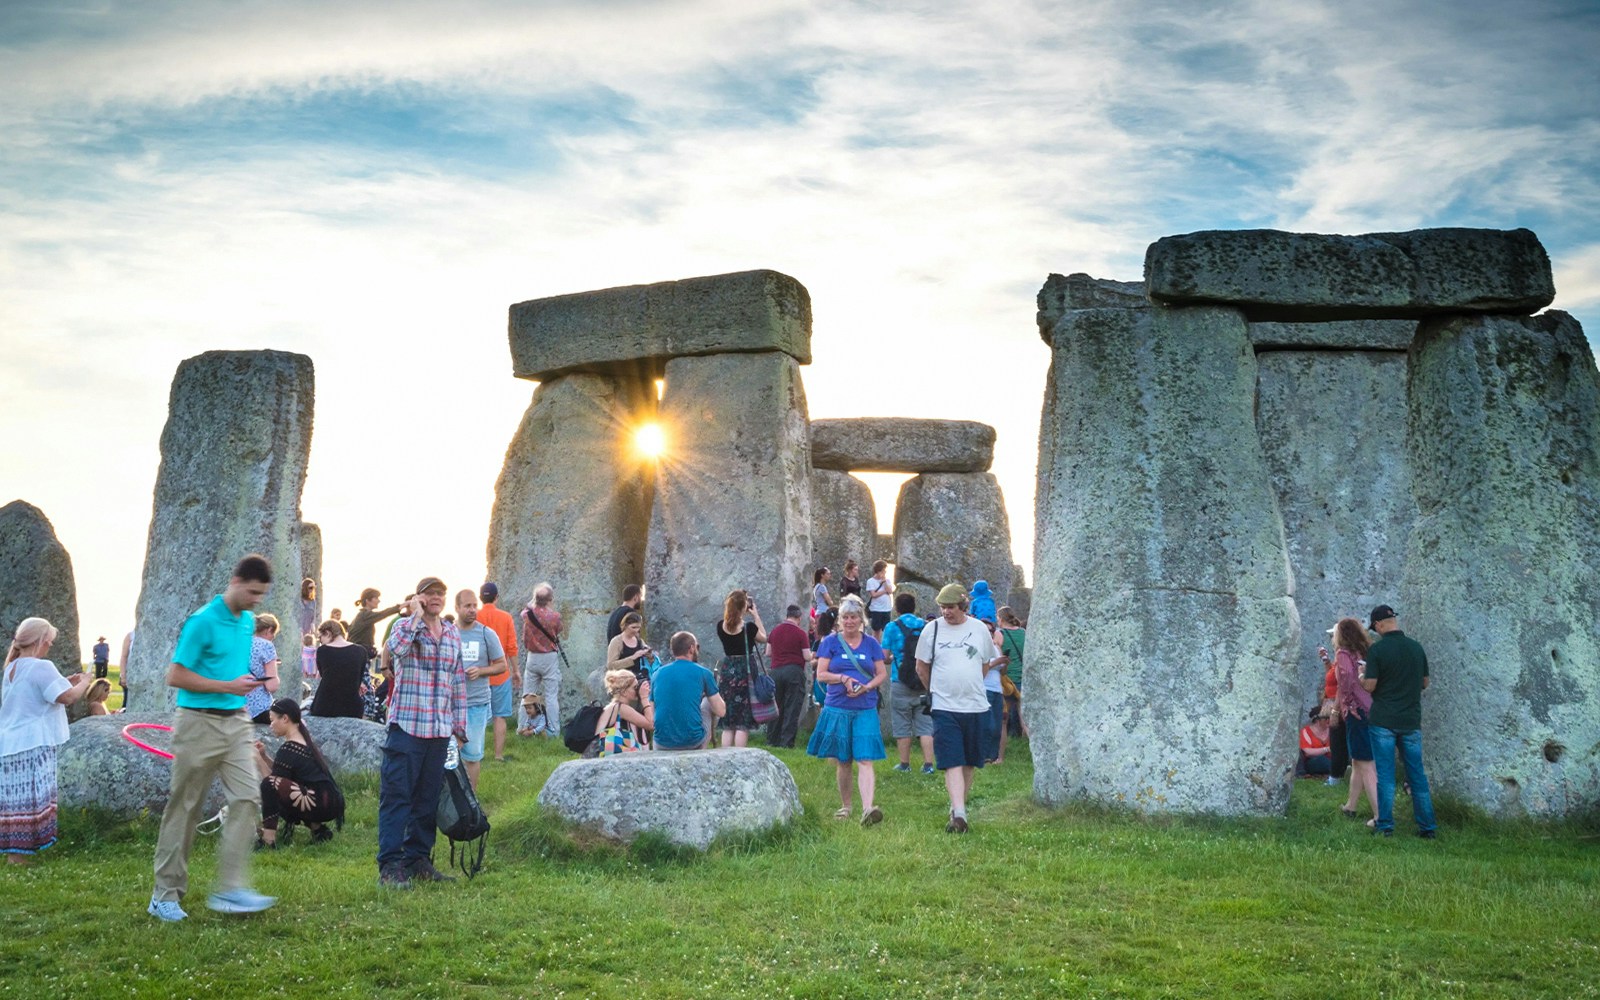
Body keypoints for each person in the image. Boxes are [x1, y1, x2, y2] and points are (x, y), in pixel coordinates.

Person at [149, 554, 278, 921]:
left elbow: (232, 672)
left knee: (248, 798)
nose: (257, 600)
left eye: (262, 594)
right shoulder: (202, 621)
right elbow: (175, 676)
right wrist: (227, 685)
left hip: (236, 722)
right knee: (186, 807)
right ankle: (164, 895)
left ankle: (231, 889)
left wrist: (242, 686)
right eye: (253, 592)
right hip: (197, 723)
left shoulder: (249, 622)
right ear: (236, 581)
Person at [377, 577, 468, 888]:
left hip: (439, 730)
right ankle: (390, 865)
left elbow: (457, 680)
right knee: (397, 797)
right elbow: (397, 651)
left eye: (440, 593)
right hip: (407, 726)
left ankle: (418, 858)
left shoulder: (452, 633)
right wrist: (414, 615)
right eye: (429, 593)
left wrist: (459, 726)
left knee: (427, 799)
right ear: (417, 597)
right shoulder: (404, 627)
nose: (436, 598)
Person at [1, 618, 93, 864]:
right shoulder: (41, 667)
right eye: (49, 643)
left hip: (10, 743)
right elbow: (68, 697)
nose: (49, 648)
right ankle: (19, 858)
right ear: (41, 641)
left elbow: (42, 693)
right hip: (33, 742)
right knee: (31, 799)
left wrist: (66, 681)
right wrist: (84, 682)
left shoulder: (11, 668)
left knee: (15, 802)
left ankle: (15, 855)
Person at [916, 583, 1006, 834]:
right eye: (943, 607)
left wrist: (971, 684)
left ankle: (958, 808)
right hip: (944, 706)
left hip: (976, 706)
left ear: (964, 606)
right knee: (952, 760)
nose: (946, 612)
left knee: (969, 761)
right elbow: (921, 667)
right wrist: (936, 690)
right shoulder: (931, 630)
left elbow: (985, 664)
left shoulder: (978, 629)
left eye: (951, 607)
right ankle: (960, 815)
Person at [808, 597, 888, 825]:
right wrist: (842, 678)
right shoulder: (830, 643)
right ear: (839, 621)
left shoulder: (872, 644)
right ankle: (846, 806)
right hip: (837, 707)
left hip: (865, 707)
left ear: (861, 619)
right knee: (843, 760)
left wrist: (868, 686)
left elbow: (881, 673)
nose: (850, 621)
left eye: (853, 617)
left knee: (864, 758)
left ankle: (867, 808)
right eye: (845, 617)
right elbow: (821, 674)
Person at [1360, 605, 1437, 839]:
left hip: (1383, 719)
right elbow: (1425, 682)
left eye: (1374, 628)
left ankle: (1385, 826)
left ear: (1379, 624)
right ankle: (1427, 828)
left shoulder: (1378, 650)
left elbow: (1370, 685)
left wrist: (1362, 677)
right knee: (1417, 775)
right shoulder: (1416, 648)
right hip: (1410, 720)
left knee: (1385, 775)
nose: (1375, 632)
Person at [252, 698, 344, 848]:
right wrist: (263, 756)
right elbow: (281, 775)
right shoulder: (303, 742)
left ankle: (268, 840)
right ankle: (319, 831)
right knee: (294, 788)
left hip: (321, 803)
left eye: (272, 720)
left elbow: (273, 783)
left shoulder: (289, 748)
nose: (271, 726)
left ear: (285, 718)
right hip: (329, 802)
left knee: (268, 785)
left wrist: (257, 760)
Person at [1324, 617, 1377, 822]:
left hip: (1357, 711)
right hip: (1371, 708)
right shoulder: (1364, 653)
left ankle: (1380, 816)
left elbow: (1345, 681)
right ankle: (1351, 806)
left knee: (1365, 764)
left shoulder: (1344, 654)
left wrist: (1341, 708)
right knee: (1357, 760)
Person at [453, 590, 507, 790]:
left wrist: (482, 671)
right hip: (450, 704)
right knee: (449, 756)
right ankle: (449, 801)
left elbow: (502, 665)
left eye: (474, 605)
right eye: (467, 606)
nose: (472, 610)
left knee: (472, 755)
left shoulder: (486, 634)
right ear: (457, 608)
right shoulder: (448, 633)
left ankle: (471, 800)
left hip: (476, 703)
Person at [880, 592, 934, 774]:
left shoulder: (891, 627)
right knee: (926, 724)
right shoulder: (925, 626)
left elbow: (885, 656)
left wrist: (895, 657)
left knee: (902, 723)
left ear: (896, 608)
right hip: (923, 680)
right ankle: (928, 765)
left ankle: (904, 764)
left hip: (900, 679)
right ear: (914, 607)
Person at [651, 632, 724, 751]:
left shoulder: (656, 674)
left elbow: (652, 716)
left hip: (661, 743)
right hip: (693, 741)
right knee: (707, 702)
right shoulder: (703, 672)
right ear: (691, 648)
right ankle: (701, 750)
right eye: (697, 647)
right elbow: (721, 711)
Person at [713, 590, 767, 749]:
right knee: (743, 720)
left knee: (728, 719)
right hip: (746, 672)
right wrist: (756, 615)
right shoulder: (748, 627)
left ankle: (725, 756)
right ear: (743, 606)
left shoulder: (720, 626)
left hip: (728, 671)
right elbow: (764, 638)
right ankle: (740, 755)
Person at [475, 582, 520, 764]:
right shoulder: (505, 617)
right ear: (496, 597)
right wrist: (516, 670)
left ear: (480, 598)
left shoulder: (474, 616)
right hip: (500, 674)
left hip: (478, 674)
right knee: (499, 716)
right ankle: (498, 755)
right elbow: (511, 646)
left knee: (476, 714)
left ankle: (476, 752)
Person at [764, 605, 813, 749]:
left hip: (776, 672)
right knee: (792, 707)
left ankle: (772, 739)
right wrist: (814, 655)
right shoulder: (800, 633)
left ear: (787, 616)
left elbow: (768, 653)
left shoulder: (775, 631)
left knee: (776, 706)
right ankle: (787, 742)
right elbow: (807, 656)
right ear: (799, 618)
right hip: (794, 671)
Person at [518, 583, 564, 738]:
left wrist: (533, 602)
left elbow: (526, 609)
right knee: (551, 696)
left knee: (527, 694)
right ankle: (553, 731)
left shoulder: (527, 614)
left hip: (532, 656)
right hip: (549, 657)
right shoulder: (555, 617)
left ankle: (521, 729)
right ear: (550, 599)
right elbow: (559, 630)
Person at [309, 620, 366, 719]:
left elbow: (325, 676)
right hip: (351, 707)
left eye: (320, 637)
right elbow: (358, 679)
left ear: (327, 633)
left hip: (324, 705)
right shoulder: (361, 651)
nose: (320, 641)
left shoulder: (322, 651)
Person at [590, 670, 654, 756]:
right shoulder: (621, 708)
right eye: (634, 687)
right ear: (624, 692)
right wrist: (644, 698)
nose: (637, 690)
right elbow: (650, 725)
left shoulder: (613, 706)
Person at [996, 606, 1027, 738]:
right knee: (1023, 714)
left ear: (1001, 619)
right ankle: (1027, 742)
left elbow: (998, 655)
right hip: (1023, 676)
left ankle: (1008, 738)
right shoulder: (1023, 632)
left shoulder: (1000, 633)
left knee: (1005, 714)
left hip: (1008, 676)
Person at [245, 614, 281, 725]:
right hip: (258, 710)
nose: (273, 638)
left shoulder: (242, 641)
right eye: (273, 634)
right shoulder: (266, 645)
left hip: (238, 708)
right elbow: (272, 686)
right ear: (269, 630)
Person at [345, 588, 402, 657]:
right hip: (358, 655)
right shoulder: (364, 615)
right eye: (376, 598)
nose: (379, 601)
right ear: (367, 600)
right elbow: (383, 614)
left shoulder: (362, 616)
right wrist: (400, 606)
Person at [1298, 708, 1333, 777]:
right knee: (1321, 760)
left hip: (1332, 759)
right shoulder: (1306, 731)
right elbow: (1307, 752)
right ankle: (1338, 770)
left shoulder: (1333, 730)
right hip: (1313, 761)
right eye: (1326, 718)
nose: (1329, 720)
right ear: (1317, 720)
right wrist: (1327, 749)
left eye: (1330, 717)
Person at [864, 561, 893, 639]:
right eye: (883, 570)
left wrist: (884, 583)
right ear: (879, 571)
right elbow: (873, 594)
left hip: (886, 608)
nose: (884, 572)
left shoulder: (887, 581)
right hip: (876, 609)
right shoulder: (870, 581)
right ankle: (876, 646)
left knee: (886, 630)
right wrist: (884, 591)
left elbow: (890, 591)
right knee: (876, 630)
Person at [810, 567, 835, 633]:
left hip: (818, 611)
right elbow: (830, 602)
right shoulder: (822, 587)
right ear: (822, 575)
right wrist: (831, 602)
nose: (829, 575)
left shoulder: (816, 586)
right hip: (824, 612)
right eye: (827, 574)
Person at [118, 629, 134, 710]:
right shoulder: (130, 635)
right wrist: (123, 676)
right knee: (126, 702)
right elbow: (124, 657)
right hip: (129, 674)